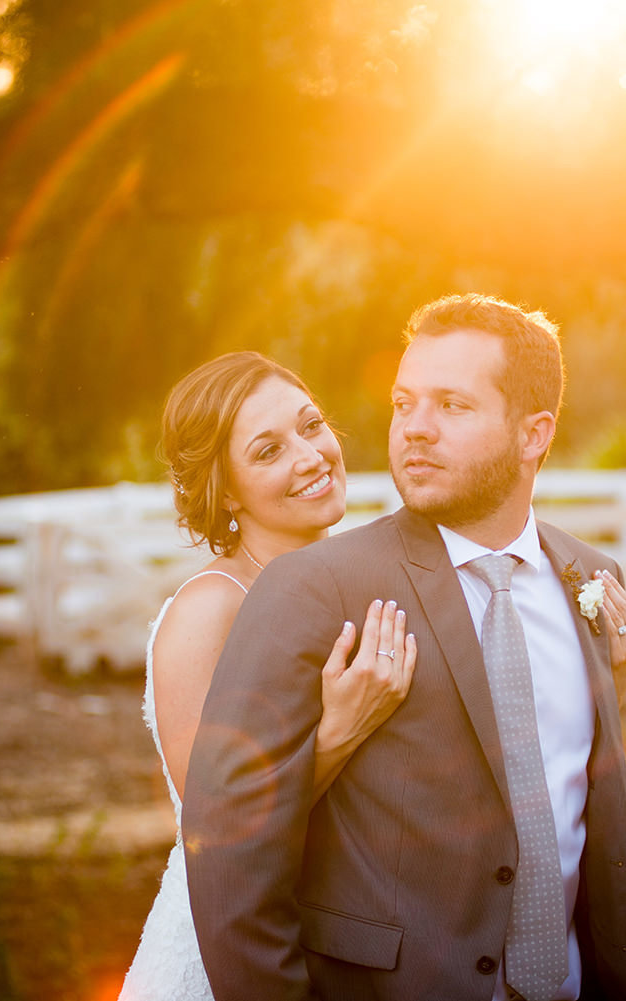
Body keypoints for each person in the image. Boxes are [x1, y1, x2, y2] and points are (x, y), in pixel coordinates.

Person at [183, 293, 626, 1001]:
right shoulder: (313, 589)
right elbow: (229, 853)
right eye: (404, 403)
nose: (415, 429)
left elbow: (568, 793)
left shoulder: (593, 581)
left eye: (452, 406)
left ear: (534, 434)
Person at [118, 351, 419, 1001]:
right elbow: (220, 826)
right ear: (225, 489)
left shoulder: (355, 583)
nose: (311, 456)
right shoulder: (210, 609)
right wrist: (338, 733)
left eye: (311, 426)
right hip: (227, 958)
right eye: (267, 450)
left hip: (339, 943)